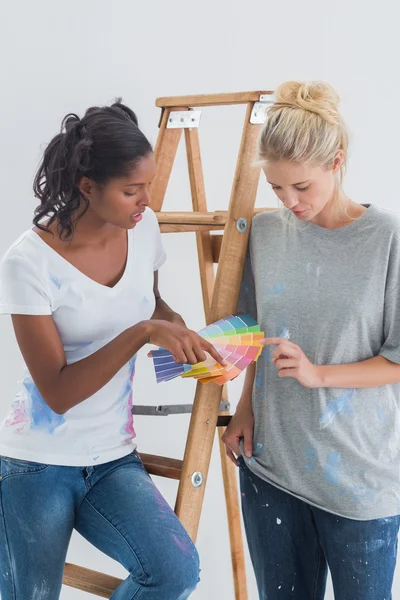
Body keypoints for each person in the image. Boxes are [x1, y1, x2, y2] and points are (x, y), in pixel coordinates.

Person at [0, 100, 224, 600]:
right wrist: (144, 332)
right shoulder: (28, 263)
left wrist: (177, 330)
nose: (146, 200)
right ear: (87, 187)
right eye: (131, 190)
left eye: (145, 186)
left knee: (174, 571)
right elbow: (57, 391)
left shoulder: (141, 229)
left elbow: (152, 302)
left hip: (112, 459)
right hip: (37, 463)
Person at [222, 80, 400, 600]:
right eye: (277, 188)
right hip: (271, 465)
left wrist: (319, 374)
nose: (288, 200)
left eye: (301, 186)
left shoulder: (386, 238)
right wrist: (244, 410)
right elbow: (254, 331)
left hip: (359, 479)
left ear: (336, 161)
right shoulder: (266, 232)